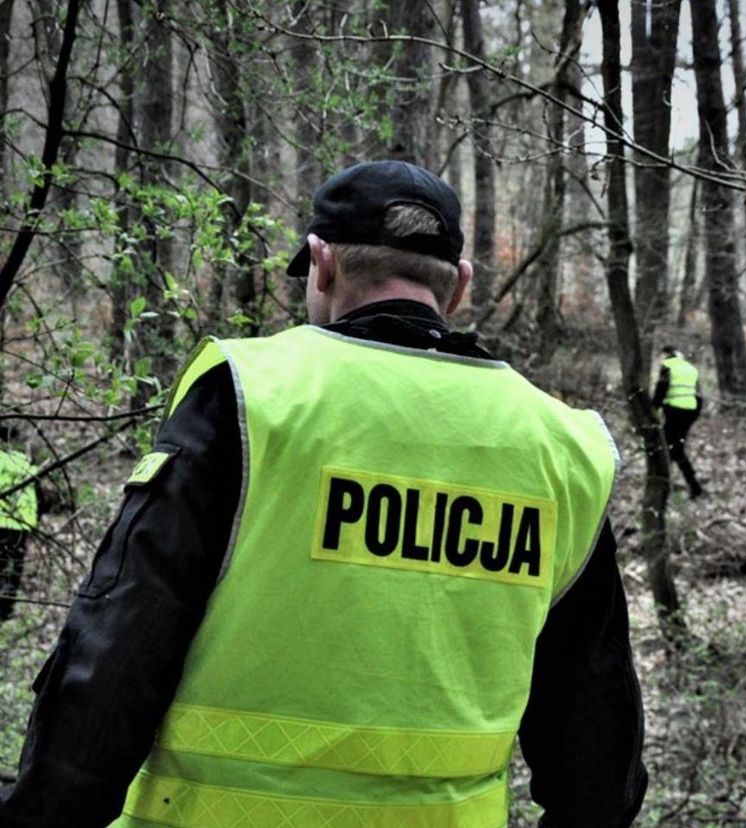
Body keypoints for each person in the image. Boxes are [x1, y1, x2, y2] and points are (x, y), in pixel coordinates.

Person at [0, 160, 647, 828]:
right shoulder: (560, 447)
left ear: (321, 263)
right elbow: (596, 731)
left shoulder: (253, 398)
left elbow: (117, 653)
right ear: (459, 286)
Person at [652, 344, 704, 499]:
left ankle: (666, 484)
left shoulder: (668, 366)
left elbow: (661, 389)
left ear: (666, 355)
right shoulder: (690, 368)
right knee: (676, 448)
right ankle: (693, 485)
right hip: (690, 412)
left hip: (674, 411)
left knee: (669, 448)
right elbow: (698, 394)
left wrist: (653, 408)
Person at [0, 424, 39, 624]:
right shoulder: (25, 462)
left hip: (1, 521)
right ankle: (7, 607)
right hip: (22, 523)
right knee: (15, 566)